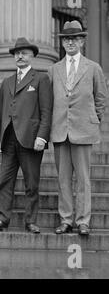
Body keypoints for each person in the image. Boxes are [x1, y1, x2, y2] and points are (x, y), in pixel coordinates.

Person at [0, 37, 53, 234]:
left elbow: (46, 111)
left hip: (31, 138)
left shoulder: (41, 79)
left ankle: (30, 221)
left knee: (32, 182)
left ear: (32, 55)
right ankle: (2, 219)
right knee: (4, 181)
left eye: (24, 53)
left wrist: (42, 136)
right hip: (8, 138)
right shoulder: (7, 82)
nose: (20, 56)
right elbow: (0, 110)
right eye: (17, 53)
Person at [48, 21, 108, 236]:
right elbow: (48, 100)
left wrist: (92, 118)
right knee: (63, 179)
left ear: (82, 41)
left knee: (83, 179)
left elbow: (101, 98)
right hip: (60, 129)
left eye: (74, 38)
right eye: (66, 39)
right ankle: (66, 219)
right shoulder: (54, 69)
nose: (70, 42)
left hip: (83, 130)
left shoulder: (93, 67)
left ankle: (83, 220)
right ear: (62, 42)